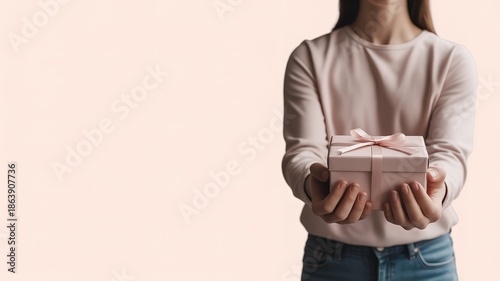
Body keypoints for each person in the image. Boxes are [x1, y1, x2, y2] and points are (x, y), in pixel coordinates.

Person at [281, 0, 477, 280]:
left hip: (427, 260)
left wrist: (439, 189)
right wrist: (314, 188)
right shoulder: (310, 57)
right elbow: (303, 151)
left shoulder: (452, 59)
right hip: (331, 260)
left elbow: (450, 154)